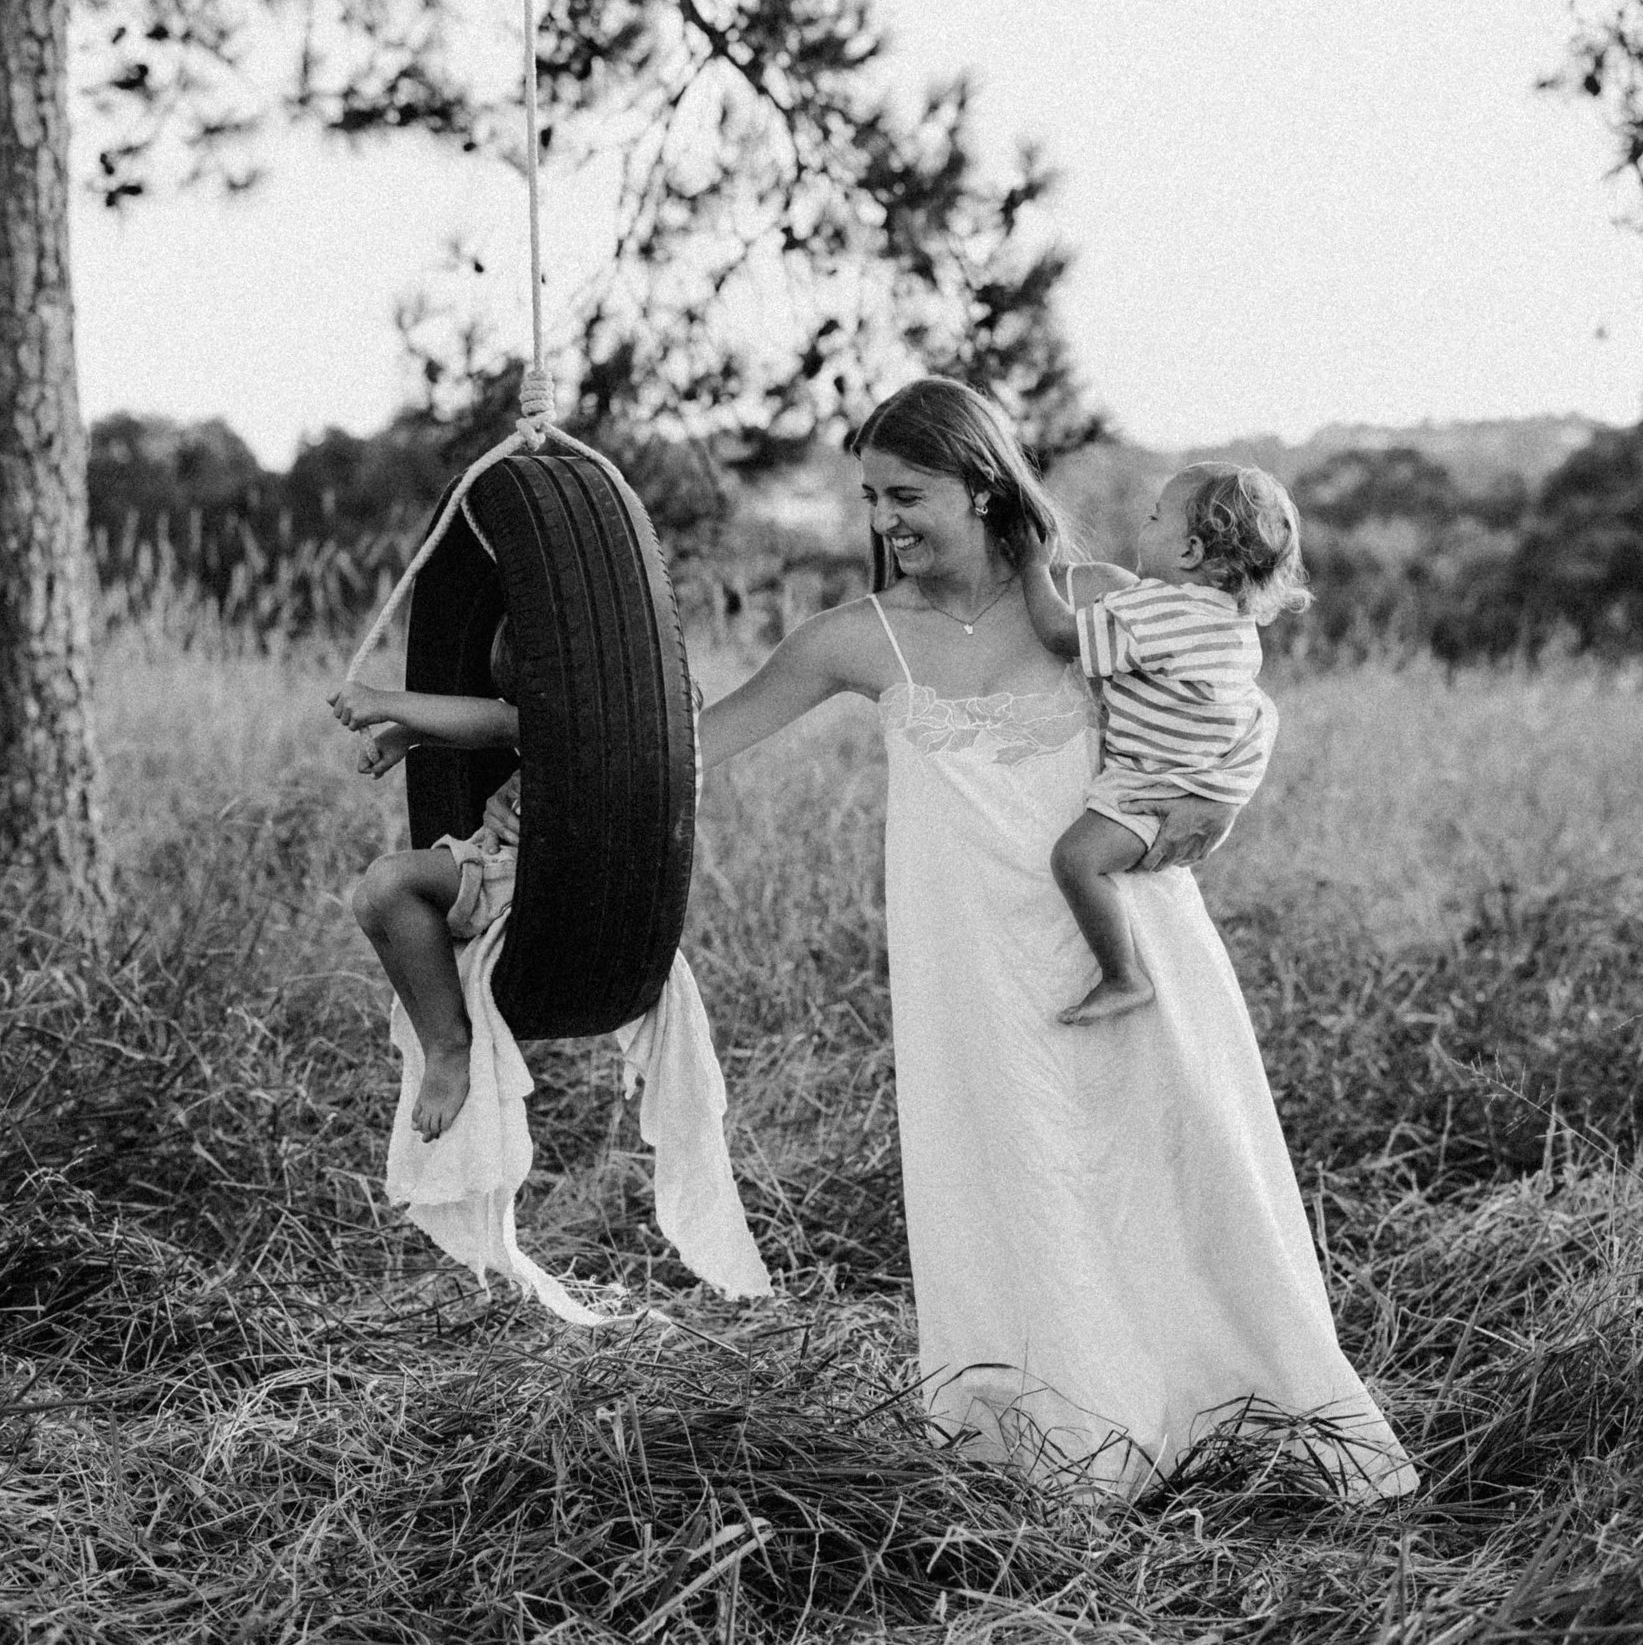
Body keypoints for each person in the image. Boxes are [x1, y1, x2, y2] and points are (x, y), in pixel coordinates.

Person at [483, 377, 1416, 1502]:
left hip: (1128, 941)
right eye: (870, 498)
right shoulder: (851, 640)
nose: (884, 521)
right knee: (1022, 1173)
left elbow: (1232, 693)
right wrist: (508, 753)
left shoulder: (1089, 600)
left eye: (904, 492)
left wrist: (1219, 802)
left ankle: (1237, 1414)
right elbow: (676, 750)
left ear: (982, 482)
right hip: (973, 967)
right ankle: (1078, 1438)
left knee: (1175, 1164)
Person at [1013, 462, 1309, 1025]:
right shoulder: (1235, 625)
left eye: (1154, 518)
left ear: (1191, 551)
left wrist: (1034, 565)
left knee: (1074, 861)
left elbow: (1057, 635)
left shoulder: (1155, 608)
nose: (1142, 527)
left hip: (1151, 786)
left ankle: (1123, 975)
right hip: (1206, 782)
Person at [330, 619, 521, 1142]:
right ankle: (433, 1042)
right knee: (369, 905)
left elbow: (498, 724)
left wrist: (387, 704)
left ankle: (450, 1044)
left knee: (393, 882)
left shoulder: (585, 710)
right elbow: (494, 723)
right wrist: (404, 736)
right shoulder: (548, 713)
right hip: (505, 855)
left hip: (534, 880)